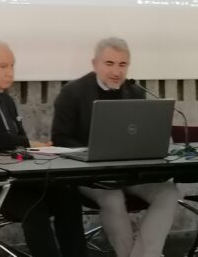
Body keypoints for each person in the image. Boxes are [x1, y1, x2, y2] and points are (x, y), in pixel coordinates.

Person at [0, 40, 87, 257]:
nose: (10, 72)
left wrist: (38, 150)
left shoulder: (5, 100)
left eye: (12, 65)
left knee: (68, 199)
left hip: (11, 178)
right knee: (34, 207)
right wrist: (27, 144)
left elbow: (15, 142)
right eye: (3, 66)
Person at [51, 37, 179, 257]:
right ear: (95, 64)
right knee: (113, 198)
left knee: (168, 192)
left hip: (129, 172)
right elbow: (59, 138)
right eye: (109, 63)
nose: (116, 71)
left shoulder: (136, 92)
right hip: (90, 175)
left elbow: (141, 133)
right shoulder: (72, 92)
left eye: (122, 64)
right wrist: (92, 151)